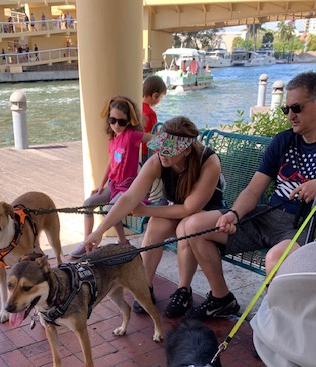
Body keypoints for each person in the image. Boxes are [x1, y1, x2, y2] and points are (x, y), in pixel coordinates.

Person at [179, 71, 316, 321]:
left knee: (275, 258)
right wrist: (234, 214)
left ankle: (275, 325)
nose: (290, 115)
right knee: (193, 226)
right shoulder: (283, 141)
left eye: (297, 108)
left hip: (308, 225)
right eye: (286, 109)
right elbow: (253, 190)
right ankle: (221, 298)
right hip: (269, 217)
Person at [78, 116, 225, 317]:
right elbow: (129, 198)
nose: (161, 153)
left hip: (207, 214)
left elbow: (189, 208)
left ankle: (183, 290)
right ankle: (144, 287)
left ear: (187, 150)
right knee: (155, 225)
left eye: (169, 150)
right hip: (178, 211)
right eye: (160, 147)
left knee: (185, 226)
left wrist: (145, 210)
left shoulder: (208, 161)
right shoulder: (158, 161)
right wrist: (98, 232)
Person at [70, 96, 154, 258]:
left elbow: (153, 140)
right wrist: (101, 185)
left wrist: (170, 145)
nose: (116, 125)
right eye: (112, 120)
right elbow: (110, 163)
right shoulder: (114, 139)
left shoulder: (132, 136)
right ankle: (87, 242)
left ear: (129, 121)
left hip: (128, 188)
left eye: (121, 122)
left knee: (110, 210)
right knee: (88, 203)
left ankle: (120, 241)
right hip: (114, 186)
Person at [142, 75, 167, 163]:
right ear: (155, 95)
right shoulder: (150, 113)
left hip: (137, 150)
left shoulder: (137, 108)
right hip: (146, 153)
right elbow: (153, 136)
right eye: (161, 97)